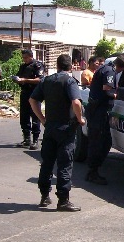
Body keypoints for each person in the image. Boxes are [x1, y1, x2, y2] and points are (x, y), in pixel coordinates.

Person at [29, 54, 85, 212]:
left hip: (50, 127)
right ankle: (63, 200)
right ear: (72, 66)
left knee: (47, 162)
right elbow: (76, 102)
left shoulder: (47, 80)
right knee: (65, 164)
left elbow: (32, 100)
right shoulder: (69, 81)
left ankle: (44, 195)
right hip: (66, 128)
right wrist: (80, 119)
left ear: (58, 65)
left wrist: (42, 119)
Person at [85, 54, 124, 184]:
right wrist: (117, 94)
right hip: (99, 111)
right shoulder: (110, 71)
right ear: (122, 67)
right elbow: (107, 90)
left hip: (97, 109)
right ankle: (92, 173)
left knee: (100, 141)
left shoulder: (105, 68)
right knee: (99, 141)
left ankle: (93, 170)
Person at [13, 49, 44, 150]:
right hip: (25, 92)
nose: (24, 59)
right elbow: (19, 76)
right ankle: (26, 139)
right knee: (24, 116)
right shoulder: (23, 66)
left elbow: (40, 79)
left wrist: (25, 80)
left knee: (35, 116)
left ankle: (35, 140)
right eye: (23, 57)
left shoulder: (37, 65)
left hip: (35, 93)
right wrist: (17, 79)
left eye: (26, 57)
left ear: (31, 56)